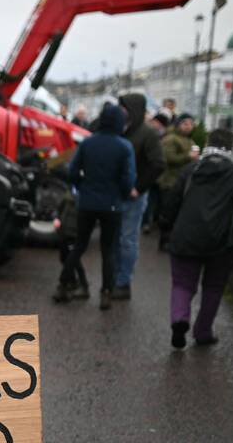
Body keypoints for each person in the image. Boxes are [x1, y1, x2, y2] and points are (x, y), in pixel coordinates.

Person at [161, 128, 233, 349]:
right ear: (231, 148)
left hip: (186, 237)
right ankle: (203, 332)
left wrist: (167, 227)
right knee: (214, 287)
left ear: (208, 144)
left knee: (182, 284)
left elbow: (171, 202)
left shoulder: (191, 170)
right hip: (223, 242)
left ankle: (179, 319)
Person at [51, 102, 135, 310]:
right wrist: (122, 195)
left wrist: (83, 186)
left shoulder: (88, 143)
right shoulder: (124, 146)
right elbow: (128, 178)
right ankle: (106, 293)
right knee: (108, 250)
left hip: (87, 202)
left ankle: (63, 284)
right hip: (112, 204)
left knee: (79, 245)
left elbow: (72, 171)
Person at [113, 93, 165, 300]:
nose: (121, 111)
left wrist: (139, 188)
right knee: (115, 239)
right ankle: (114, 278)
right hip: (116, 194)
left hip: (134, 196)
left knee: (127, 240)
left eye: (124, 107)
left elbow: (158, 164)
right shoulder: (120, 128)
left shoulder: (147, 134)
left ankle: (123, 282)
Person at [157, 113, 199, 249]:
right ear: (178, 124)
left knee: (178, 213)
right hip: (170, 181)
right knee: (168, 212)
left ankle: (173, 240)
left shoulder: (189, 141)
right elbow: (168, 158)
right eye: (185, 123)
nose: (188, 126)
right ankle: (164, 240)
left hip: (182, 182)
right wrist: (188, 157)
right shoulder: (171, 139)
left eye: (191, 124)